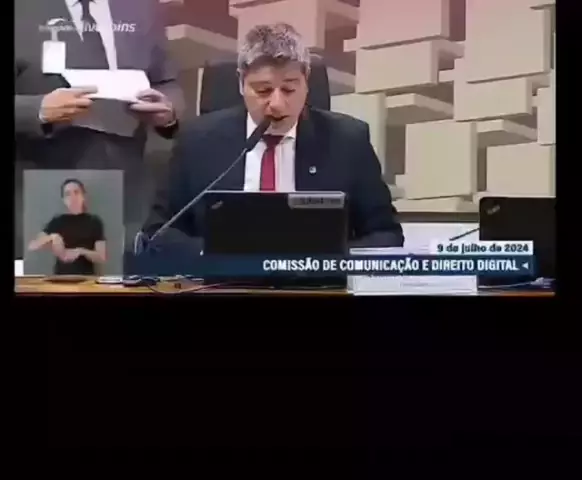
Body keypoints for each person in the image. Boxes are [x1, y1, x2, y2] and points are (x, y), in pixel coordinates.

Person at [142, 22, 404, 250]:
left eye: (289, 89)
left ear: (306, 80)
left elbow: (386, 234)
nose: (277, 104)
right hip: (221, 283)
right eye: (263, 90)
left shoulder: (348, 141)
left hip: (316, 283)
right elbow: (158, 233)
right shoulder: (197, 141)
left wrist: (326, 261)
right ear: (241, 82)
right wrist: (216, 255)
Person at [14, 0, 185, 258]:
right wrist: (37, 109)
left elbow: (167, 81)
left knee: (127, 276)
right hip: (42, 186)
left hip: (129, 189)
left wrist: (169, 112)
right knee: (50, 278)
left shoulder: (142, 8)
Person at [28, 179, 106, 275]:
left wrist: (81, 251)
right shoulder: (57, 221)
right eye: (68, 194)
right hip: (60, 278)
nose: (72, 197)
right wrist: (53, 237)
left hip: (86, 279)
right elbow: (33, 245)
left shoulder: (94, 221)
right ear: (64, 200)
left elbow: (102, 257)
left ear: (83, 196)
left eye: (76, 192)